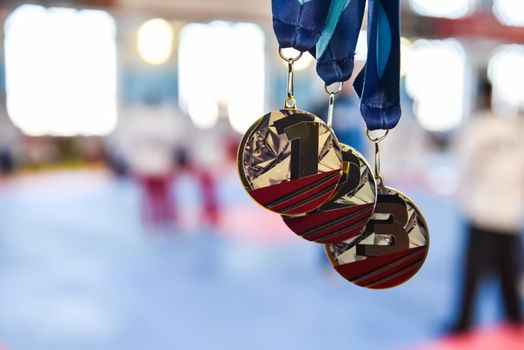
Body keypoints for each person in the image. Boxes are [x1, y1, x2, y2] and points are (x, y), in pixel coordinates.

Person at [450, 78, 523, 333]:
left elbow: (463, 166)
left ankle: (464, 323)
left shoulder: (478, 128)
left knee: (474, 276)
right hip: (507, 213)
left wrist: (464, 196)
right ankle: (514, 320)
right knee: (510, 275)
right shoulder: (515, 129)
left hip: (482, 210)